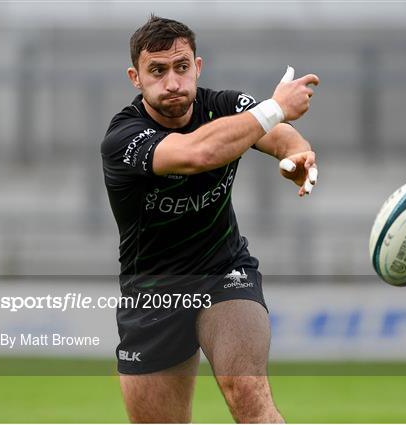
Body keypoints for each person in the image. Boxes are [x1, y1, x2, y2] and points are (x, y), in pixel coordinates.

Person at [101, 15, 319, 424]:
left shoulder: (224, 105)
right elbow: (196, 153)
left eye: (182, 67)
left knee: (247, 392)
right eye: (158, 70)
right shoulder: (123, 138)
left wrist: (297, 153)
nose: (173, 82)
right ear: (136, 77)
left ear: (197, 67)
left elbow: (279, 134)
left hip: (224, 273)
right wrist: (274, 109)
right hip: (152, 294)